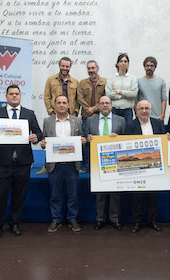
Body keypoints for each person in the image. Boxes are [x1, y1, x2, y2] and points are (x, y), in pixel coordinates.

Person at [0, 85, 42, 238]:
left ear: (20, 96)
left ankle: (15, 223)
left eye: (17, 94)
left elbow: (38, 133)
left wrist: (36, 138)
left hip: (23, 162)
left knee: (19, 195)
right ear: (6, 96)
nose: (14, 96)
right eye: (11, 94)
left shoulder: (29, 114)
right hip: (2, 162)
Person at [40, 95, 86, 233]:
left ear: (68, 105)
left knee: (73, 195)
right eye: (58, 102)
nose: (61, 105)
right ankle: (56, 219)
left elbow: (81, 138)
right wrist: (43, 144)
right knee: (55, 195)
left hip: (72, 164)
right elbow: (44, 140)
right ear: (54, 105)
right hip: (55, 165)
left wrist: (82, 141)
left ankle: (72, 219)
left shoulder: (76, 121)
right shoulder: (47, 121)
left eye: (64, 103)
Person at [125, 100, 166, 233]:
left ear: (150, 110)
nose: (144, 111)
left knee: (153, 196)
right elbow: (125, 144)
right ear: (136, 111)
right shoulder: (130, 125)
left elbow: (164, 142)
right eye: (141, 108)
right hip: (137, 166)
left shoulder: (158, 123)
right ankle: (136, 222)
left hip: (154, 166)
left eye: (146, 108)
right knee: (137, 196)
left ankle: (152, 220)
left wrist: (168, 138)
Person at [85, 96, 126, 230]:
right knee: (100, 191)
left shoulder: (121, 120)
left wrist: (119, 138)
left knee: (115, 192)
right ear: (98, 105)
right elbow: (85, 141)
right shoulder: (90, 120)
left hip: (116, 160)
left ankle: (115, 218)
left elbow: (126, 141)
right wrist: (88, 139)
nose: (104, 105)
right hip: (97, 161)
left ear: (111, 105)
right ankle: (100, 219)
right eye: (102, 103)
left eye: (107, 103)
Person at [38, 57, 79, 175]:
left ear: (70, 67)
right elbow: (46, 97)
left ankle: (73, 167)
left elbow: (78, 98)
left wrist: (75, 112)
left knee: (70, 142)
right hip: (55, 115)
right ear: (59, 66)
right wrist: (51, 111)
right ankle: (48, 167)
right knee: (50, 139)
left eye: (67, 66)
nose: (65, 68)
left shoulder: (75, 82)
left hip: (71, 116)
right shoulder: (51, 80)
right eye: (63, 66)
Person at [77, 60, 106, 173]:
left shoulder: (105, 82)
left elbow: (106, 98)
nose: (91, 70)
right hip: (85, 117)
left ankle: (99, 165)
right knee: (86, 142)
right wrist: (88, 110)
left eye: (93, 68)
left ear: (97, 68)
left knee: (99, 141)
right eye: (89, 68)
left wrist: (94, 109)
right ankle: (87, 166)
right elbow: (79, 98)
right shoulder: (82, 83)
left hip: (100, 117)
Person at [105, 53, 138, 123]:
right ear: (117, 64)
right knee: (115, 132)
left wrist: (119, 92)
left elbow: (134, 93)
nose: (123, 63)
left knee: (127, 132)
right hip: (114, 110)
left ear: (128, 64)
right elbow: (108, 94)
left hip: (128, 111)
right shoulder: (111, 78)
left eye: (125, 61)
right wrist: (121, 97)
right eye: (121, 61)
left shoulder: (132, 78)